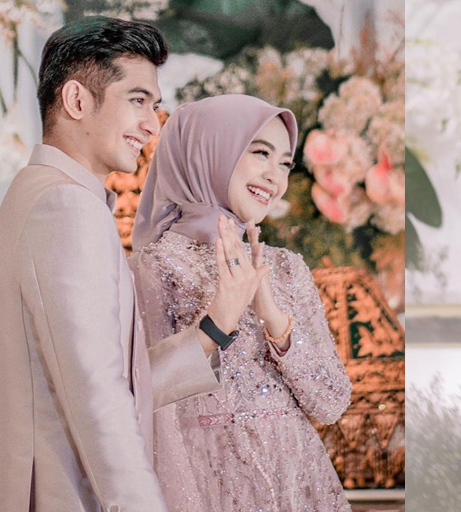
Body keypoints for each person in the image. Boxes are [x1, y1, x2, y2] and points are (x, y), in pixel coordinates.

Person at [0, 16, 219, 511]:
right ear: (76, 101)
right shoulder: (66, 209)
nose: (153, 125)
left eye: (154, 106)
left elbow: (101, 375)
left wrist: (214, 331)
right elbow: (97, 400)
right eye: (137, 101)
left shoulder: (35, 196)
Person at [129, 94, 353, 511]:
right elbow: (145, 402)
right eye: (261, 154)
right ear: (207, 150)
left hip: (299, 485)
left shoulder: (285, 268)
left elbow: (331, 402)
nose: (275, 178)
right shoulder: (153, 269)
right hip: (208, 489)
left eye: (285, 163)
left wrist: (270, 313)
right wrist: (221, 315)